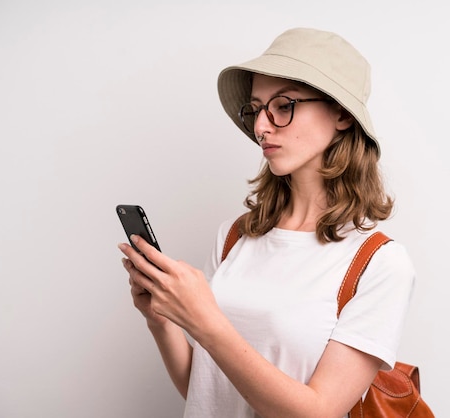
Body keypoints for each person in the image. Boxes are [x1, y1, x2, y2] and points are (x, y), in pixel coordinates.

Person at [118, 27, 416, 418]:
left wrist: (207, 323)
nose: (261, 126)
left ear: (341, 113)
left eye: (283, 105)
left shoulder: (378, 264)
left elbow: (319, 412)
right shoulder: (234, 237)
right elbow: (205, 390)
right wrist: (161, 320)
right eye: (256, 108)